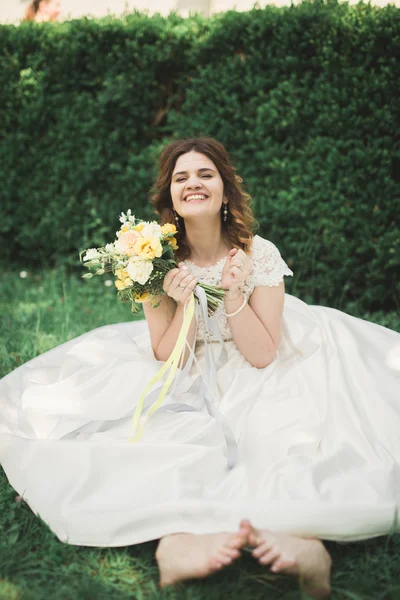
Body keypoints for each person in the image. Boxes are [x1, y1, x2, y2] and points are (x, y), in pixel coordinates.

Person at [1, 137, 399, 599]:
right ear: (170, 195)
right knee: (162, 441)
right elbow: (166, 355)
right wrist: (186, 303)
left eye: (205, 174)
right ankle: (177, 544)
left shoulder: (257, 253)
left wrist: (232, 295)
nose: (193, 183)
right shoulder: (149, 259)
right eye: (181, 177)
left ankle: (306, 544)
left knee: (287, 437)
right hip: (186, 363)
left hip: (258, 357)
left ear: (225, 191)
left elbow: (264, 353)